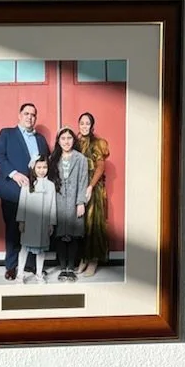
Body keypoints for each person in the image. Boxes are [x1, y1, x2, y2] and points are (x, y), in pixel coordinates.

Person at [0, 101, 50, 280]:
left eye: (33, 115)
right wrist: (15, 174)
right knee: (13, 229)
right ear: (19, 115)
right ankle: (11, 267)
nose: (30, 117)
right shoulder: (6, 134)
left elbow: (47, 163)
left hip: (34, 194)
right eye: (26, 113)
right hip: (12, 190)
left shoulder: (40, 139)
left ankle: (31, 265)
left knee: (33, 229)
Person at [51, 125, 90, 280]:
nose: (66, 142)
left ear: (73, 140)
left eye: (69, 138)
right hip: (58, 202)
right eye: (63, 138)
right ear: (58, 141)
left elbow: (83, 181)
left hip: (74, 201)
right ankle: (63, 268)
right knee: (60, 235)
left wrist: (81, 202)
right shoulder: (53, 158)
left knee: (73, 235)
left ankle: (71, 268)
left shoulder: (81, 159)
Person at [76, 109, 111, 275]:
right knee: (81, 225)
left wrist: (90, 187)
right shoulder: (75, 142)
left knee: (93, 223)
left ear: (92, 126)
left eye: (87, 123)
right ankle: (84, 258)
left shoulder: (98, 143)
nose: (84, 126)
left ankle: (94, 260)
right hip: (78, 186)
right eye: (82, 123)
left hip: (93, 188)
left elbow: (101, 167)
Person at [15, 155, 57, 281]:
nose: (42, 170)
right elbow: (22, 203)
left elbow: (53, 205)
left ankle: (39, 273)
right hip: (29, 222)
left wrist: (51, 223)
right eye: (39, 167)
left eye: (44, 167)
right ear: (33, 168)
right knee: (24, 248)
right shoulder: (28, 184)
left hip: (44, 223)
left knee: (41, 250)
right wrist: (21, 221)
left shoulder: (50, 185)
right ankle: (20, 273)